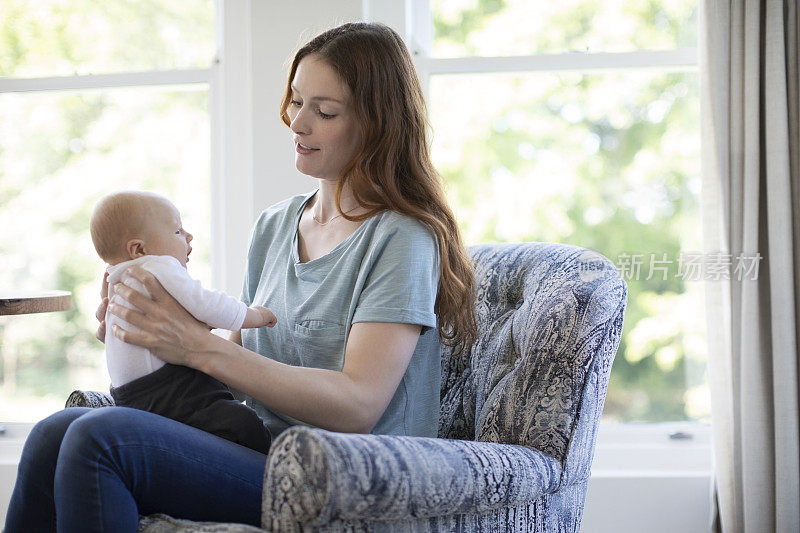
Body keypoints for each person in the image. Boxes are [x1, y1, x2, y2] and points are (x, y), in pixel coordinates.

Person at [4, 21, 477, 533]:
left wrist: (196, 346)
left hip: (342, 479)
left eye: (325, 111)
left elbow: (358, 405)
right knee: (56, 433)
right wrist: (147, 335)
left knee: (101, 441)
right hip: (256, 449)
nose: (298, 123)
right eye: (296, 101)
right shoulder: (275, 226)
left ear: (378, 124)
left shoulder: (402, 238)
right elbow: (233, 370)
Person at [89, 190, 275, 454]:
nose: (188, 236)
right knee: (243, 423)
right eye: (177, 231)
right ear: (139, 249)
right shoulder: (157, 266)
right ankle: (270, 464)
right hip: (169, 390)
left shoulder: (113, 278)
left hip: (128, 394)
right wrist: (252, 315)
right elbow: (206, 304)